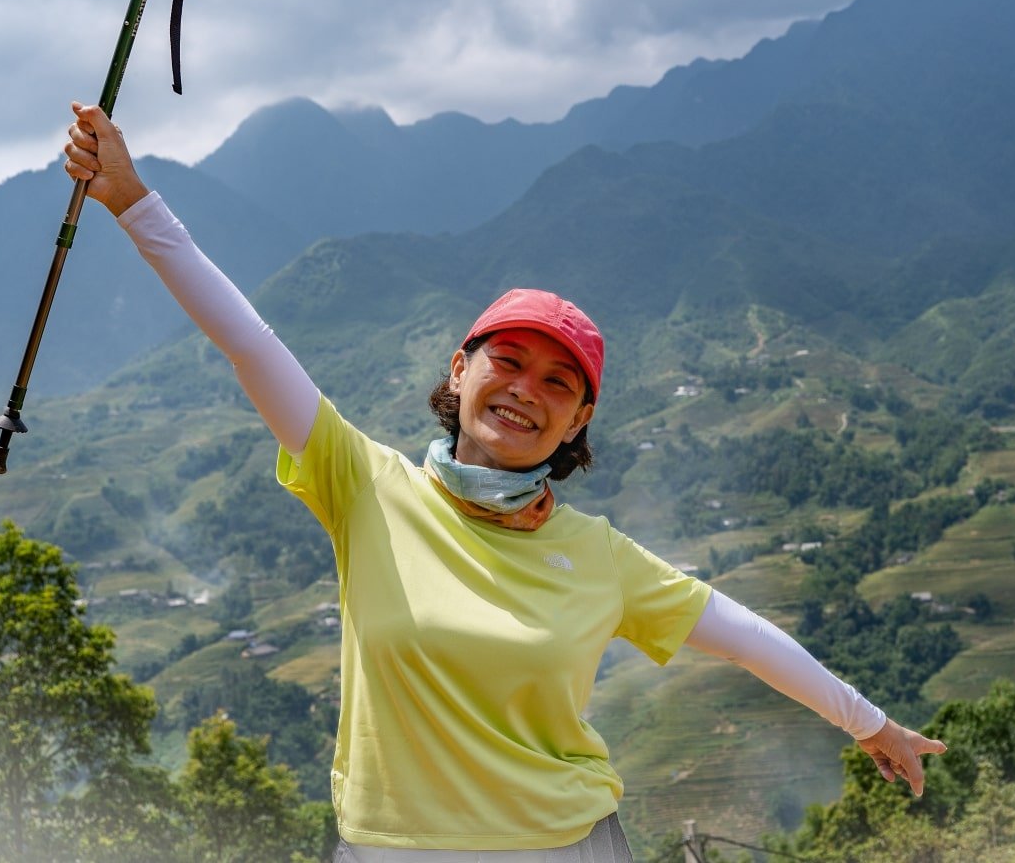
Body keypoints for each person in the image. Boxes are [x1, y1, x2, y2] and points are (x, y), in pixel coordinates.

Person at [62, 101, 945, 861]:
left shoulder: (597, 555)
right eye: (508, 361)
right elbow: (250, 342)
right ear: (460, 369)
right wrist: (132, 201)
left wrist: (869, 722)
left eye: (559, 383)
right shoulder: (364, 484)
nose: (526, 389)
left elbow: (747, 636)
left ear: (578, 422)